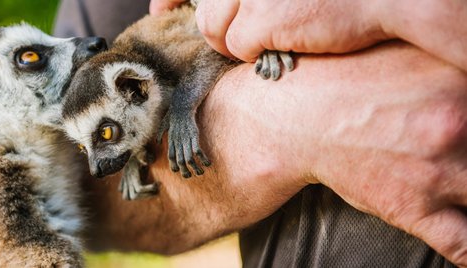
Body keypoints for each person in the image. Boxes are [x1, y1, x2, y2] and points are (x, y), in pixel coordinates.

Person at [54, 0, 467, 266]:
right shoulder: (121, 55)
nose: (96, 163)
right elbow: (75, 205)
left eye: (103, 136)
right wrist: (282, 126)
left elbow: (204, 45)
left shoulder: (154, 63)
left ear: (135, 87)